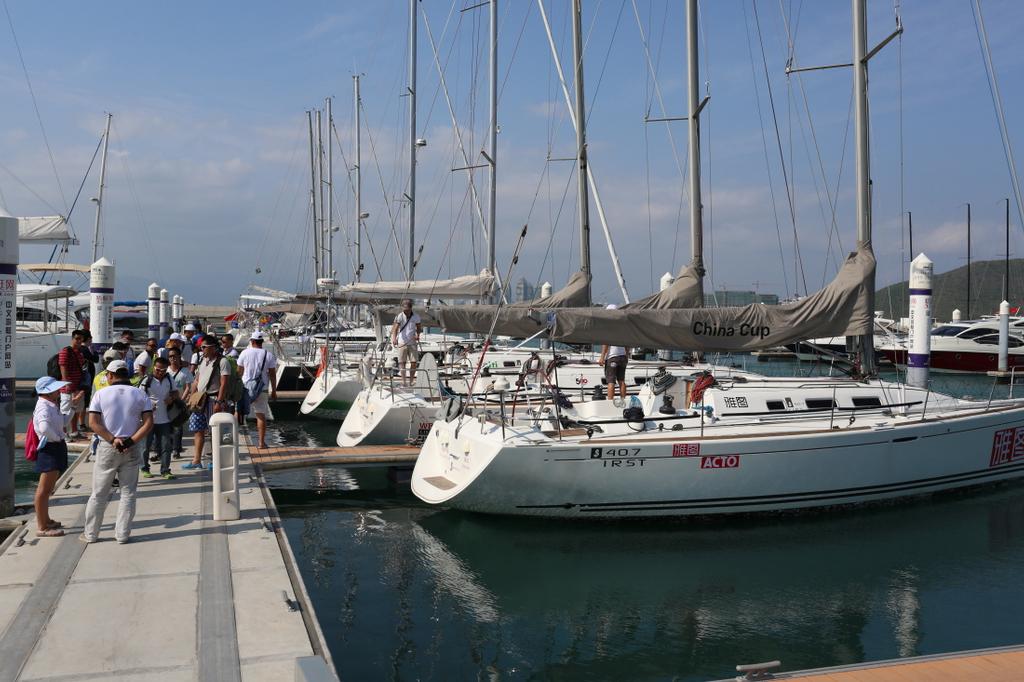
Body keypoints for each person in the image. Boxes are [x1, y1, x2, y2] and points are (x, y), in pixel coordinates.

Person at [83, 360, 154, 544]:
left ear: (111, 375)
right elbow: (148, 423)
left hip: (108, 446)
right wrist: (131, 441)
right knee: (128, 492)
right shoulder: (140, 394)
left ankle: (91, 534)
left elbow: (93, 423)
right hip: (131, 446)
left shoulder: (100, 394)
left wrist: (113, 439)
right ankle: (122, 534)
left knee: (99, 493)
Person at [184, 337, 232, 470]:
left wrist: (219, 401)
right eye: (201, 347)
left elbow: (224, 383)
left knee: (214, 431)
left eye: (204, 347)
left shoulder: (222, 362)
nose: (202, 349)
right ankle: (196, 460)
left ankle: (215, 460)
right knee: (198, 430)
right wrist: (191, 396)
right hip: (200, 399)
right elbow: (197, 380)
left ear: (213, 347)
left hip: (213, 399)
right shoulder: (203, 360)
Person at [32, 376, 70, 537]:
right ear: (48, 392)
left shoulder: (51, 404)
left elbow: (62, 422)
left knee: (48, 490)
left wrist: (72, 406)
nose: (59, 391)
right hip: (49, 448)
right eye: (56, 389)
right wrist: (56, 438)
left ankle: (46, 520)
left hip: (54, 445)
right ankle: (42, 527)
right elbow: (44, 427)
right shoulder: (44, 407)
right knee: (44, 489)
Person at [238, 331, 278, 449]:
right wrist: (274, 391)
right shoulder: (268, 354)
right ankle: (261, 443)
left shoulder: (244, 353)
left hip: (245, 387)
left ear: (252, 341)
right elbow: (272, 375)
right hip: (262, 388)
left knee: (239, 412)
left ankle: (234, 438)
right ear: (262, 342)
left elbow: (239, 372)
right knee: (260, 415)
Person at [141, 357, 178, 479]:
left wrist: (171, 398)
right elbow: (138, 397)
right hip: (148, 420)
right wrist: (148, 405)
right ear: (153, 368)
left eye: (163, 370)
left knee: (166, 446)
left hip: (165, 420)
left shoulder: (169, 379)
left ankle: (165, 470)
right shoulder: (147, 380)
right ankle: (145, 468)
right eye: (157, 370)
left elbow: (176, 392)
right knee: (146, 446)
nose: (160, 372)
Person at [58, 329, 88, 439]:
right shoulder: (66, 351)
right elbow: (63, 366)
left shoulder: (80, 353)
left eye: (81, 339)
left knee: (76, 410)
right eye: (77, 339)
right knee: (65, 411)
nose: (79, 341)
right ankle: (63, 433)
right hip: (68, 387)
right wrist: (66, 383)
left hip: (78, 386)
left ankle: (74, 431)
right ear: (72, 338)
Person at [598, 304, 629, 402]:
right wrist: (626, 355)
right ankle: (623, 401)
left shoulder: (608, 326)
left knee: (611, 382)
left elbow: (606, 343)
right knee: (621, 381)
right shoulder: (623, 326)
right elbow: (627, 343)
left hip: (612, 357)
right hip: (623, 357)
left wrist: (602, 357)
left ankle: (610, 403)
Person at [167, 348, 194, 459]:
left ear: (179, 357)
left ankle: (176, 449)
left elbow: (188, 387)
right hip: (167, 403)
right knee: (168, 427)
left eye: (174, 356)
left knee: (178, 426)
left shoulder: (185, 371)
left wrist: (182, 399)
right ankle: (168, 447)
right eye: (170, 356)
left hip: (179, 403)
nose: (172, 358)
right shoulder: (166, 371)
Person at [391, 299, 422, 386]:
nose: (406, 311)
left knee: (414, 362)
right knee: (402, 362)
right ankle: (404, 381)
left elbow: (419, 327)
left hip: (412, 342)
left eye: (407, 309)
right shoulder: (399, 316)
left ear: (411, 308)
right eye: (404, 309)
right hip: (402, 341)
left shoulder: (416, 316)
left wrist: (417, 334)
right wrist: (394, 338)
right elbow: (395, 329)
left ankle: (411, 381)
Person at [79, 330, 99, 432]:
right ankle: (82, 424)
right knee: (84, 401)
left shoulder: (78, 349)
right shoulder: (85, 350)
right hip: (86, 379)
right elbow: (95, 359)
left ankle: (79, 423)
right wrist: (94, 350)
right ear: (88, 339)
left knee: (80, 401)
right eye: (90, 338)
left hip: (80, 378)